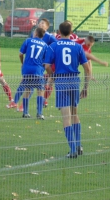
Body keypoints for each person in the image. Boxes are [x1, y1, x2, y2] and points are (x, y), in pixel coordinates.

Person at [45, 21, 91, 159]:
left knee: (66, 117)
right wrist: (85, 87)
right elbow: (87, 69)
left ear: (59, 32)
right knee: (74, 114)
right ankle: (78, 145)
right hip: (74, 82)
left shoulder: (53, 46)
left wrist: (52, 76)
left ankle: (72, 150)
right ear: (71, 32)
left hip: (61, 81)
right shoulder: (78, 47)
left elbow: (47, 65)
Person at [7, 18, 56, 110]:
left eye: (42, 23)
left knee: (30, 84)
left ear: (47, 27)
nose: (40, 24)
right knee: (27, 84)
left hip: (39, 65)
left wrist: (49, 59)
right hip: (30, 63)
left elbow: (56, 47)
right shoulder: (34, 34)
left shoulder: (49, 37)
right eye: (40, 23)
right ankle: (17, 103)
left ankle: (19, 104)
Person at [19, 27, 48, 119]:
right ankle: (39, 113)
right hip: (37, 70)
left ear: (35, 33)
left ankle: (25, 112)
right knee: (40, 91)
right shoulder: (45, 45)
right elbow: (46, 61)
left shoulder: (28, 41)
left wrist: (22, 63)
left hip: (27, 70)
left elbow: (20, 54)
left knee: (27, 90)